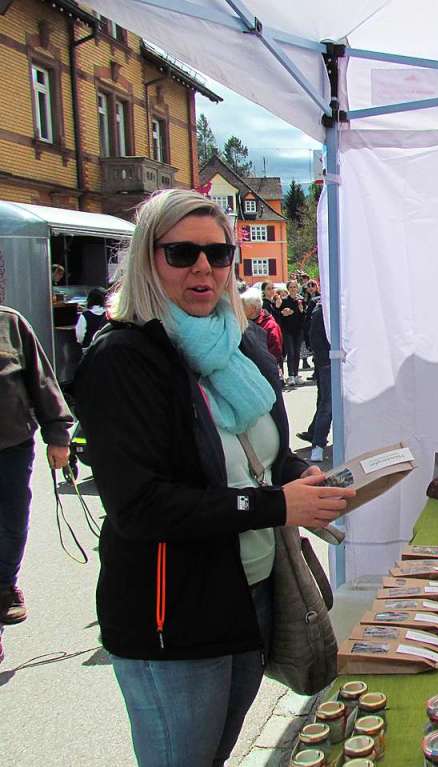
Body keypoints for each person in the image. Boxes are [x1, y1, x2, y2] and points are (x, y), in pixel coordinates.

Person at [74, 188, 354, 766]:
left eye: (219, 254)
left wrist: (305, 477)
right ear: (148, 260)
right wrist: (276, 506)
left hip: (250, 594)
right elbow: (142, 506)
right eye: (181, 254)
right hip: (170, 617)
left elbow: (268, 457)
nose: (203, 268)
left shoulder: (242, 344)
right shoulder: (122, 358)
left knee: (215, 755)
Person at [0, 305, 73, 664]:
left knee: (11, 528)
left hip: (10, 449)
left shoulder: (10, 323)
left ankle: (4, 585)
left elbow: (42, 381)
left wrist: (58, 435)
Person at [298, 300, 331, 463]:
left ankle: (316, 438)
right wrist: (325, 362)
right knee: (327, 404)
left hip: (329, 363)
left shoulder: (323, 310)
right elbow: (315, 340)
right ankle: (318, 445)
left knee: (325, 403)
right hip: (328, 364)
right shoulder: (321, 312)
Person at [241, 288, 284, 370]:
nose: (241, 309)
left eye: (243, 306)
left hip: (267, 371)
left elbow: (275, 352)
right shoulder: (243, 323)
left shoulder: (270, 326)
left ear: (253, 308)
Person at [277, 280, 305, 386]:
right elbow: (279, 315)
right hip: (287, 330)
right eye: (291, 287)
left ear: (298, 288)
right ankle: (291, 375)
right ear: (288, 289)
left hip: (298, 330)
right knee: (291, 352)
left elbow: (304, 317)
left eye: (295, 287)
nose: (293, 289)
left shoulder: (301, 300)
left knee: (297, 353)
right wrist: (283, 313)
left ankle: (296, 374)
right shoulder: (284, 301)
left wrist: (301, 310)